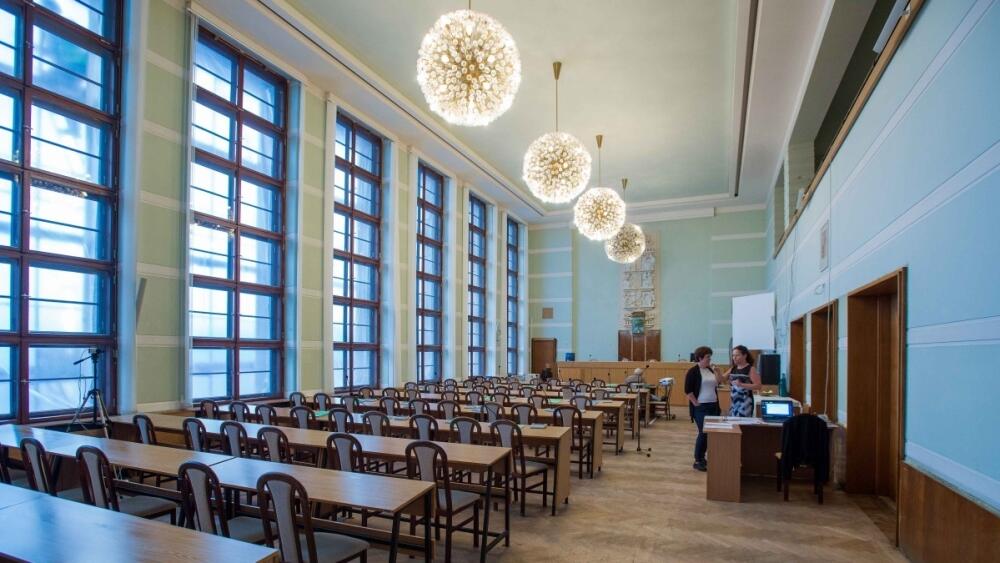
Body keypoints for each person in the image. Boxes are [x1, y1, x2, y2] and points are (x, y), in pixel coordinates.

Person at [684, 346, 723, 471]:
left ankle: (702, 458)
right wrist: (695, 403)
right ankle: (698, 460)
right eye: (707, 357)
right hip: (701, 407)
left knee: (710, 433)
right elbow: (688, 390)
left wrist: (718, 372)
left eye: (710, 357)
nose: (709, 359)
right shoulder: (693, 371)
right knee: (703, 432)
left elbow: (719, 383)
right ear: (700, 358)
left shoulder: (710, 370)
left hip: (713, 405)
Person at [726, 345, 762, 417]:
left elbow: (758, 386)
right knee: (733, 422)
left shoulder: (751, 369)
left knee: (742, 422)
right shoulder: (733, 368)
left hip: (745, 403)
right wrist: (717, 371)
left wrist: (741, 384)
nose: (734, 358)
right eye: (733, 355)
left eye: (737, 355)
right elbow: (721, 379)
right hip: (734, 402)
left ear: (745, 356)